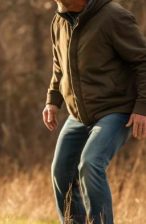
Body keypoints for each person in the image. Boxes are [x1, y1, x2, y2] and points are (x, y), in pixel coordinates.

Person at [42, 0, 146, 223]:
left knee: (91, 163)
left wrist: (142, 106)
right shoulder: (59, 21)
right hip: (78, 114)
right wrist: (53, 100)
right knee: (60, 172)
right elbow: (59, 64)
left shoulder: (113, 16)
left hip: (116, 109)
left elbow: (142, 61)